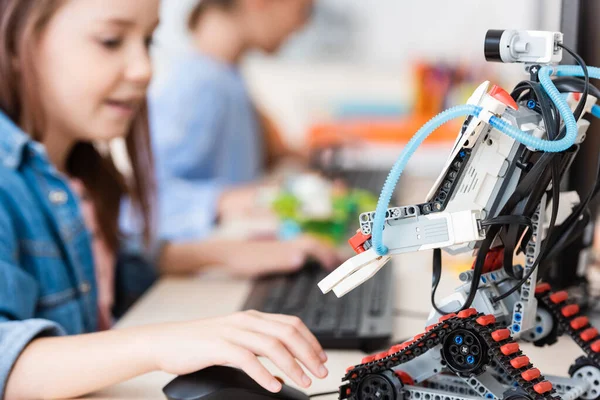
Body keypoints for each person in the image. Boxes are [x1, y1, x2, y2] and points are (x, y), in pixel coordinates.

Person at [0, 1, 328, 398]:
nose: (144, 69)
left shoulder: (79, 172)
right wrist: (158, 344)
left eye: (148, 41)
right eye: (110, 40)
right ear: (17, 42)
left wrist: (223, 255)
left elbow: (111, 274)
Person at [149, 0, 315, 243]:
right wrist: (231, 200)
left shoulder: (227, 78)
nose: (303, 24)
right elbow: (142, 202)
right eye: (304, 9)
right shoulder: (199, 85)